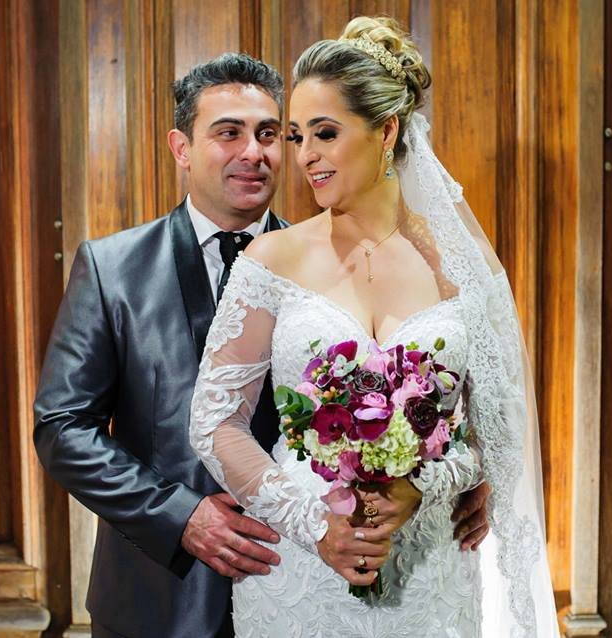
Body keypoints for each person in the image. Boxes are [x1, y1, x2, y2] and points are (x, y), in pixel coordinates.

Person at [34, 51, 488, 638]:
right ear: (181, 148)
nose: (255, 152)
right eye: (229, 133)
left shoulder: (319, 265)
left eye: (270, 134)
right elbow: (63, 427)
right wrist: (179, 516)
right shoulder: (111, 268)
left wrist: (457, 478)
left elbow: (448, 403)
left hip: (319, 574)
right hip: (164, 589)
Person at [188, 17, 560, 637]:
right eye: (297, 136)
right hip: (300, 573)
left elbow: (497, 433)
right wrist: (315, 525)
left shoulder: (460, 267)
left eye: (325, 133)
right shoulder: (271, 259)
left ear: (386, 131)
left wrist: (426, 483)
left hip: (430, 571)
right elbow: (215, 421)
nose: (305, 156)